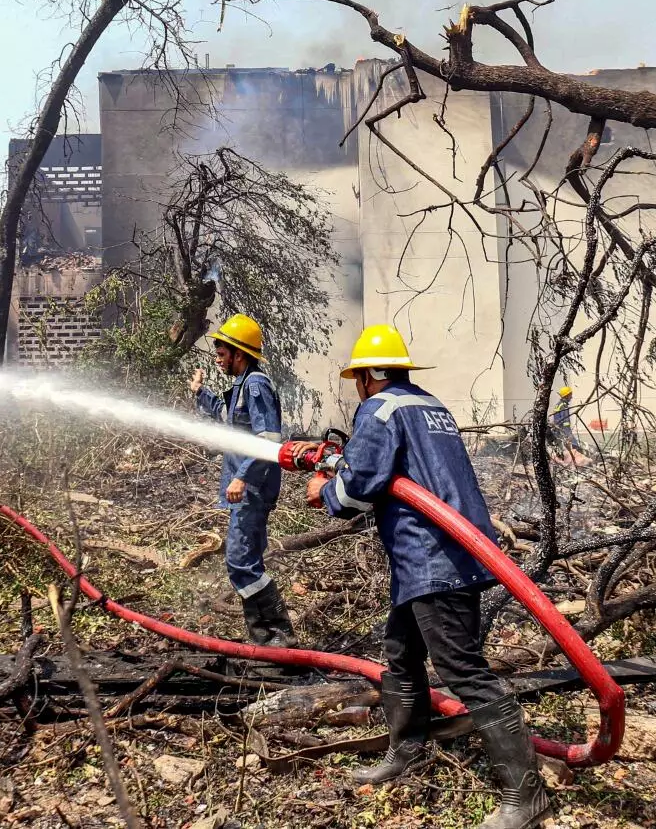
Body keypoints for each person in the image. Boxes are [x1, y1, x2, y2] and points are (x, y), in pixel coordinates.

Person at [303, 324, 548, 829]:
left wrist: (323, 490)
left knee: (462, 669)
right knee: (401, 652)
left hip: (432, 554)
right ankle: (408, 751)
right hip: (448, 550)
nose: (358, 389)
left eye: (357, 380)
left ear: (368, 376)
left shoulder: (380, 409)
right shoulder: (430, 406)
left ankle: (526, 795)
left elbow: (356, 492)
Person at [188, 313, 294, 647]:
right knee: (248, 561)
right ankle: (266, 640)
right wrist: (200, 392)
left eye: (222, 354)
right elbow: (227, 416)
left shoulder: (256, 385)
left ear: (240, 354)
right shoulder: (242, 385)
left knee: (239, 562)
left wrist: (242, 477)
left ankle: (279, 634)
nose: (218, 359)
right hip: (248, 488)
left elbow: (269, 437)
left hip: (253, 488)